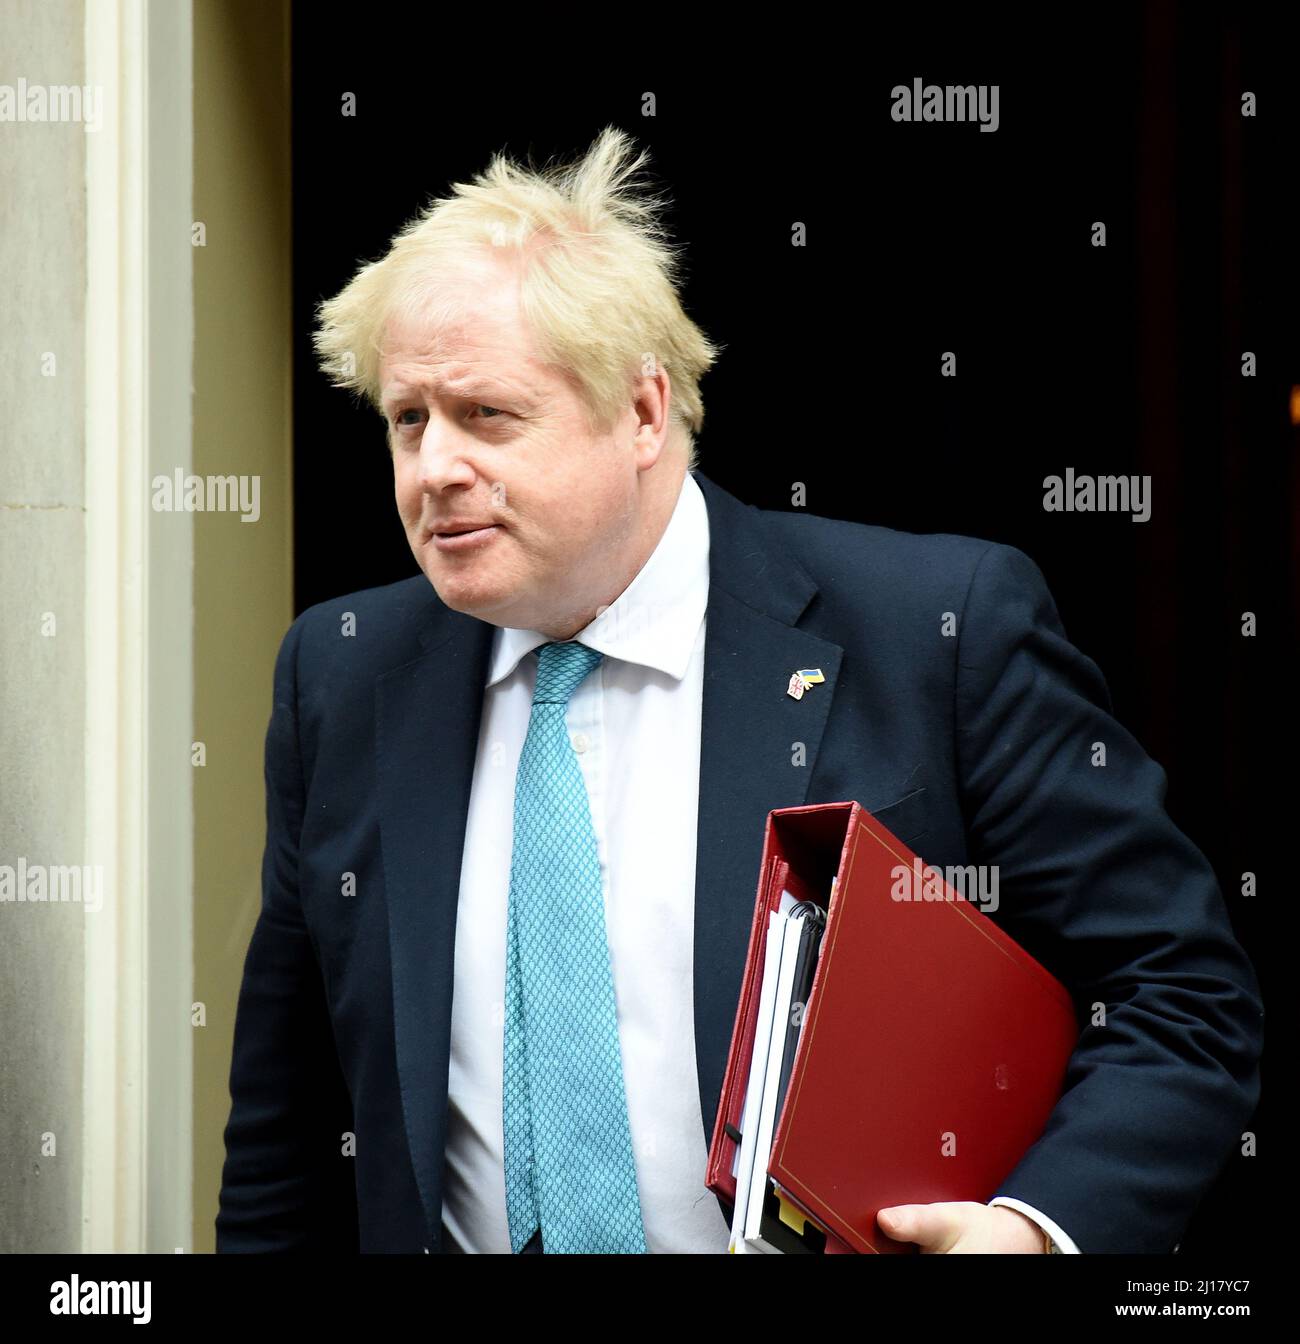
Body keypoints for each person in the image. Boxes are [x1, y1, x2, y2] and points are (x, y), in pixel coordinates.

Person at [215, 127, 1263, 1255]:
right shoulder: (345, 672)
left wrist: (1031, 1231)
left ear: (643, 413)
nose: (433, 469)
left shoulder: (936, 630)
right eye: (406, 420)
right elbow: (288, 1118)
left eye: (487, 415)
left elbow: (1179, 994)